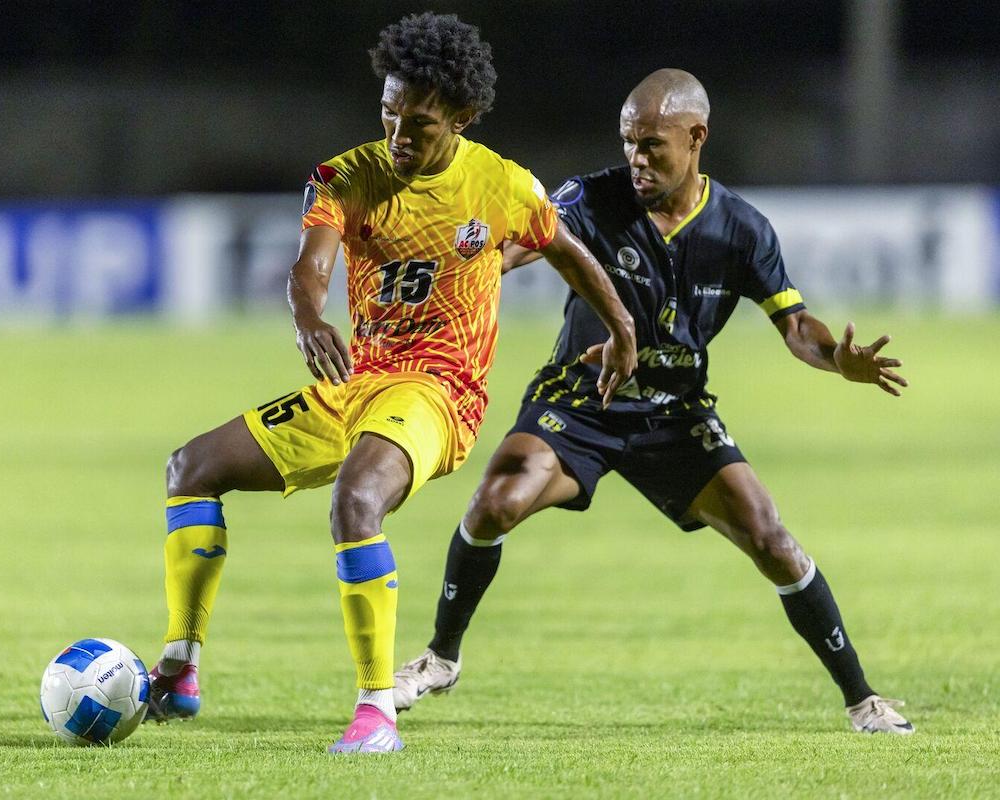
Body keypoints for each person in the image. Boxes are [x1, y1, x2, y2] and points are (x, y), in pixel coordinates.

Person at [145, 12, 637, 754]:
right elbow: (309, 268)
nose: (399, 134)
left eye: (420, 123)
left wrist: (623, 331)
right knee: (191, 468)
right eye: (388, 113)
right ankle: (182, 661)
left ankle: (375, 712)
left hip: (438, 393)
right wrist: (309, 319)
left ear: (462, 118)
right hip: (356, 382)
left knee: (356, 497)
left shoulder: (499, 185)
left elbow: (567, 251)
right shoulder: (348, 175)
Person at [394, 68, 915, 735]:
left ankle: (863, 699)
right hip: (580, 400)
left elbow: (797, 327)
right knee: (495, 500)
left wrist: (837, 360)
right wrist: (465, 263)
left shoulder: (741, 230)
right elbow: (523, 244)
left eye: (652, 145)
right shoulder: (591, 198)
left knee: (771, 537)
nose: (636, 159)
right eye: (628, 142)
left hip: (675, 412)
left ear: (696, 138)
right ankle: (441, 657)